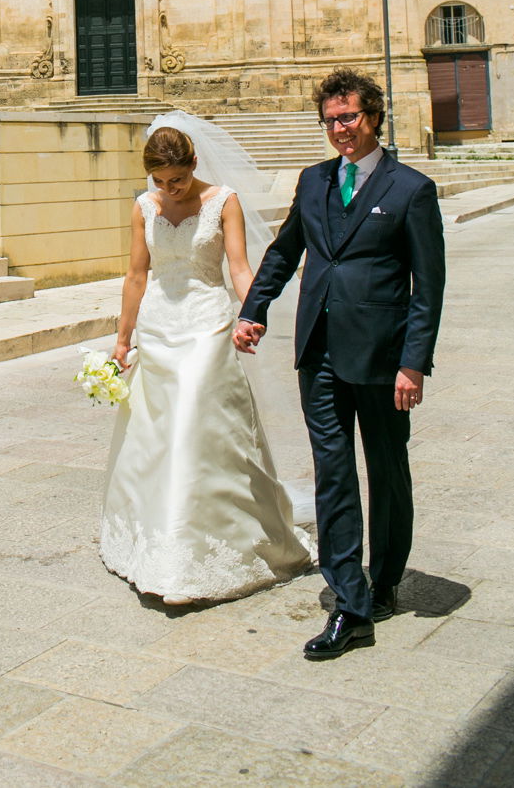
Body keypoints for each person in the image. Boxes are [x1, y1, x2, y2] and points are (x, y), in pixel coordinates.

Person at [235, 69, 445, 660]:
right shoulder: (314, 182)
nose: (340, 129)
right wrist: (256, 310)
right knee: (333, 471)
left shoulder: (411, 189)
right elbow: (283, 253)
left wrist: (414, 364)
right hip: (319, 354)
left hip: (382, 359)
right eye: (330, 120)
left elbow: (428, 287)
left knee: (386, 467)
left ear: (373, 117)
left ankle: (387, 580)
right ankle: (350, 601)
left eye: (349, 117)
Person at [99, 118, 311, 604]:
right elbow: (136, 274)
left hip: (207, 324)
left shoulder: (223, 200)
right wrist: (122, 338)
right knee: (156, 434)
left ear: (194, 165)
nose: (170, 190)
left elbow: (238, 265)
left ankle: (206, 543)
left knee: (197, 421)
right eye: (160, 182)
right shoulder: (143, 207)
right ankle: (157, 542)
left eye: (177, 179)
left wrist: (251, 312)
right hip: (157, 324)